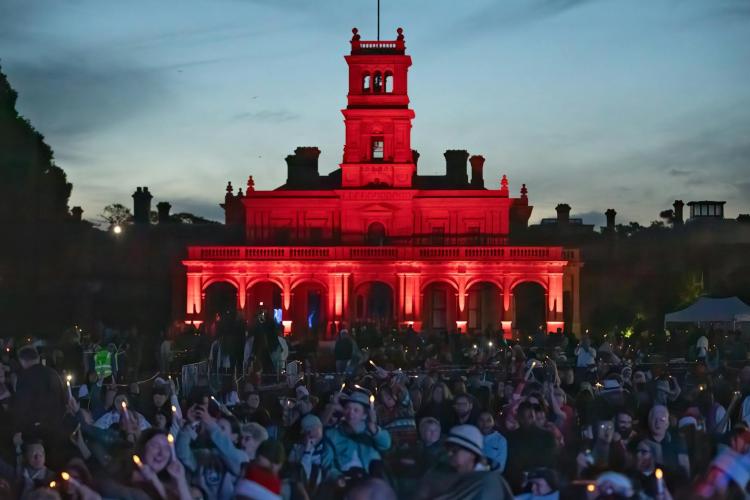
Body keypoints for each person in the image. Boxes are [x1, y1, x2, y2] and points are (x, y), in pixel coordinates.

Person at [320, 391, 391, 480]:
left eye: (356, 410)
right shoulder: (333, 434)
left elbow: (386, 444)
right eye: (347, 409)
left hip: (372, 478)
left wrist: (374, 430)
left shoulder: (370, 432)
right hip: (347, 480)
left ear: (364, 415)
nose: (351, 413)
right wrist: (338, 477)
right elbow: (327, 464)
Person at [647, 405, 690, 478]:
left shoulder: (677, 441)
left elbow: (685, 467)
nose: (658, 423)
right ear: (649, 421)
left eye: (662, 420)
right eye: (655, 419)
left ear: (667, 423)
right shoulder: (643, 442)